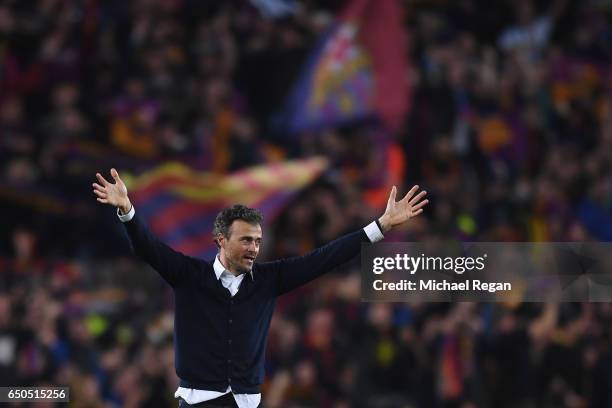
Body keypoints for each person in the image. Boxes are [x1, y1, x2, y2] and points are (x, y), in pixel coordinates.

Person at [92, 168, 429, 408]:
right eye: (246, 240)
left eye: (257, 240)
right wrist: (127, 210)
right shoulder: (189, 274)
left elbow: (325, 258)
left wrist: (380, 226)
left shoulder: (271, 279)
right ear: (221, 240)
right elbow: (148, 247)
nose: (254, 248)